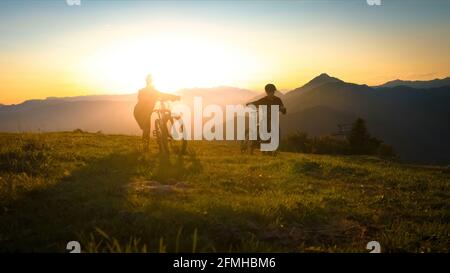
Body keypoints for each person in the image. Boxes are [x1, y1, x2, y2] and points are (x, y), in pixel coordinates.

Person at [134, 74, 180, 151]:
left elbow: (164, 95)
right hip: (140, 112)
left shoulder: (153, 91)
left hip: (146, 112)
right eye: (150, 81)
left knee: (147, 126)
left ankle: (161, 137)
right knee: (146, 128)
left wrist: (175, 97)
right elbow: (141, 99)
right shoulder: (142, 91)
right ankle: (145, 148)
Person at [246, 83, 287, 153]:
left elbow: (282, 107)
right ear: (267, 92)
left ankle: (273, 147)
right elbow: (256, 103)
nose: (272, 93)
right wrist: (249, 104)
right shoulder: (263, 100)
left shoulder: (278, 100)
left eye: (273, 91)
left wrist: (283, 110)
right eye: (271, 91)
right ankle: (261, 145)